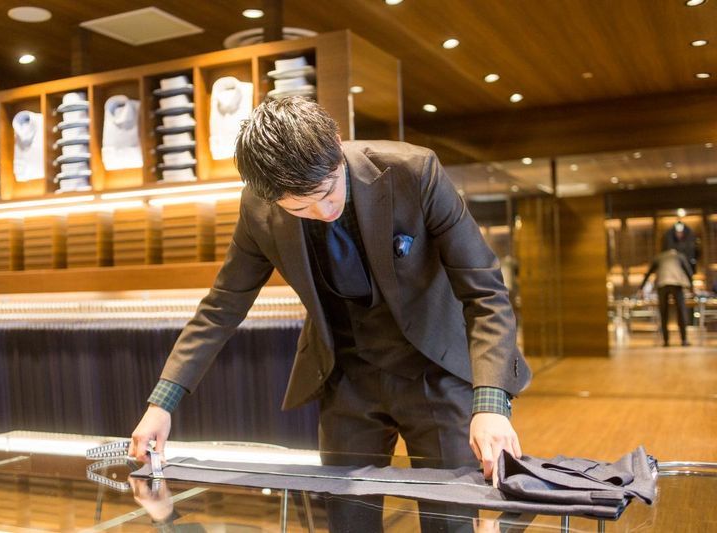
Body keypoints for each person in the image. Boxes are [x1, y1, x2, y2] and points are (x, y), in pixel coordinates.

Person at [130, 97, 531, 531]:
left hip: (435, 370)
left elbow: (485, 291)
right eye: (300, 207)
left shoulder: (414, 171)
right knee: (348, 522)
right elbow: (222, 306)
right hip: (346, 378)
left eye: (326, 191)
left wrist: (491, 404)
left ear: (337, 144)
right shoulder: (259, 207)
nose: (322, 212)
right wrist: (161, 403)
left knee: (449, 521)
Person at [639, 248, 693, 347]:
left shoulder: (659, 257)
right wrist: (691, 287)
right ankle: (684, 340)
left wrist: (641, 287)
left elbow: (649, 273)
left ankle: (666, 341)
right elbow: (688, 271)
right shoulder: (679, 256)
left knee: (663, 313)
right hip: (676, 284)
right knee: (681, 312)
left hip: (662, 284)